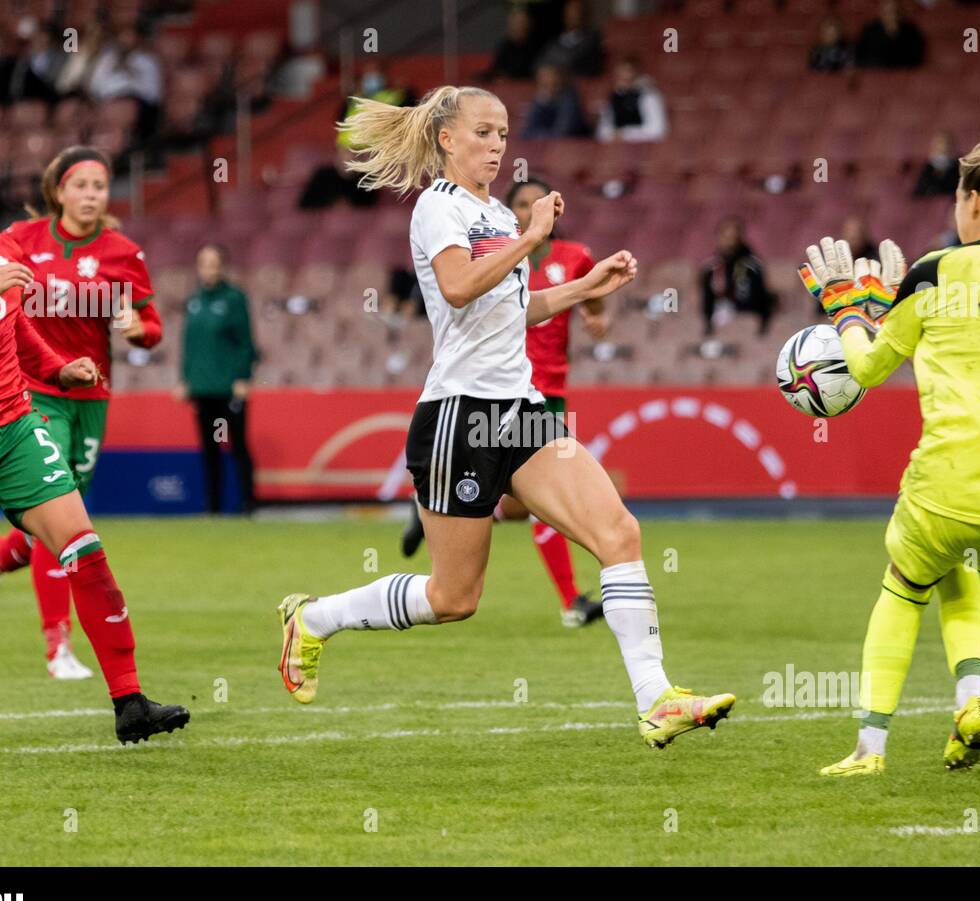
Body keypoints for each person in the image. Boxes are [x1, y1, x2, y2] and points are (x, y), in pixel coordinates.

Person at [277, 85, 734, 749]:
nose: (497, 146)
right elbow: (461, 289)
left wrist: (583, 287)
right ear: (447, 140)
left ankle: (656, 698)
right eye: (484, 133)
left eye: (503, 134)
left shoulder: (491, 212)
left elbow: (510, 310)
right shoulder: (439, 209)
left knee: (619, 532)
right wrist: (531, 239)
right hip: (458, 417)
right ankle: (314, 618)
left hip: (519, 412)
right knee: (453, 599)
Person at [0, 92, 188, 742]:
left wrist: (56, 369)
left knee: (83, 545)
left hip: (14, 427)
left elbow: (13, 330)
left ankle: (129, 702)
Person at [800, 130, 980, 776]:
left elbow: (865, 369)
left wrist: (844, 309)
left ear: (975, 202)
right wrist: (883, 313)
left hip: (954, 485)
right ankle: (971, 698)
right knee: (960, 557)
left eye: (958, 194)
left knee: (905, 579)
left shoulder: (938, 269)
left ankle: (870, 747)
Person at [0, 144, 164, 680]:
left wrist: (136, 329)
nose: (91, 196)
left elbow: (152, 326)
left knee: (54, 523)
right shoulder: (23, 241)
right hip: (33, 391)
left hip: (91, 397)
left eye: (100, 187)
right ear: (58, 191)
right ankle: (58, 648)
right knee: (60, 506)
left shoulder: (122, 252)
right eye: (81, 186)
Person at [399, 175, 608, 629]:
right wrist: (527, 237)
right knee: (462, 588)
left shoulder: (572, 257)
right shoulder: (485, 238)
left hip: (541, 393)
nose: (533, 210)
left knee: (604, 525)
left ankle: (575, 601)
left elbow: (593, 315)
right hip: (482, 397)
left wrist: (592, 298)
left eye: (539, 202)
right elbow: (460, 290)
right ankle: (444, 507)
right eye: (523, 204)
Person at [177, 243, 257, 515]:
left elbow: (245, 341)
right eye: (203, 263)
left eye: (213, 263)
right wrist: (185, 378)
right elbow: (189, 343)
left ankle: (248, 503)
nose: (208, 269)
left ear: (222, 266)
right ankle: (213, 507)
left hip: (228, 388)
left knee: (237, 446)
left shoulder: (234, 299)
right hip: (202, 388)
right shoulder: (194, 301)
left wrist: (244, 377)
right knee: (209, 450)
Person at [700, 217, 775, 337]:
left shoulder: (753, 266)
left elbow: (760, 299)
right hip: (719, 322)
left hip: (746, 321)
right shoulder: (711, 268)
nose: (729, 241)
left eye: (733, 237)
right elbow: (707, 301)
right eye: (725, 236)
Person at [594, 56, 668, 144]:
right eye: (620, 76)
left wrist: (626, 134)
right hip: (616, 150)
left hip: (644, 148)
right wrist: (613, 135)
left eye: (628, 75)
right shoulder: (614, 97)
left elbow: (657, 131)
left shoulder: (649, 96)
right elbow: (602, 132)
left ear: (636, 75)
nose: (623, 79)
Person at [521, 64, 591, 139]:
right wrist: (541, 104)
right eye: (544, 84)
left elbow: (562, 134)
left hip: (572, 148)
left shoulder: (569, 102)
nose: (547, 87)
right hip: (548, 145)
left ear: (559, 81)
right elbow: (526, 133)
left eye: (551, 82)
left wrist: (538, 135)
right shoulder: (541, 100)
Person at [855, 0, 925, 69]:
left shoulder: (911, 32)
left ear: (900, 12)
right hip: (876, 74)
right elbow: (861, 58)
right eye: (887, 11)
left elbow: (916, 59)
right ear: (881, 12)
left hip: (904, 75)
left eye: (894, 11)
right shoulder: (869, 31)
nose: (891, 15)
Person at [912, 130, 961, 197]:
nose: (943, 147)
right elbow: (919, 194)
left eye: (947, 144)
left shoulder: (960, 167)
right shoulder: (927, 169)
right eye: (939, 144)